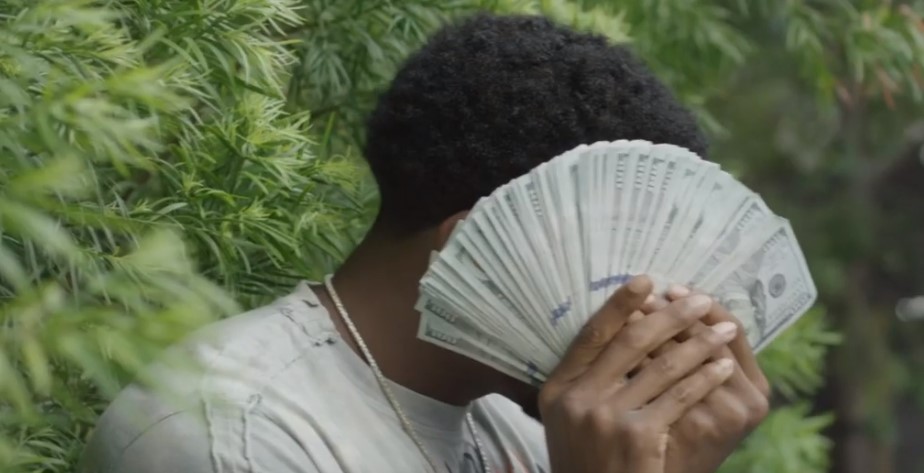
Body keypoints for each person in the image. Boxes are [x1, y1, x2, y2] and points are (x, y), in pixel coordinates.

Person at [79, 13, 771, 473]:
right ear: (486, 253)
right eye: (621, 272)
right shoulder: (231, 436)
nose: (655, 310)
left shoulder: (525, 434)